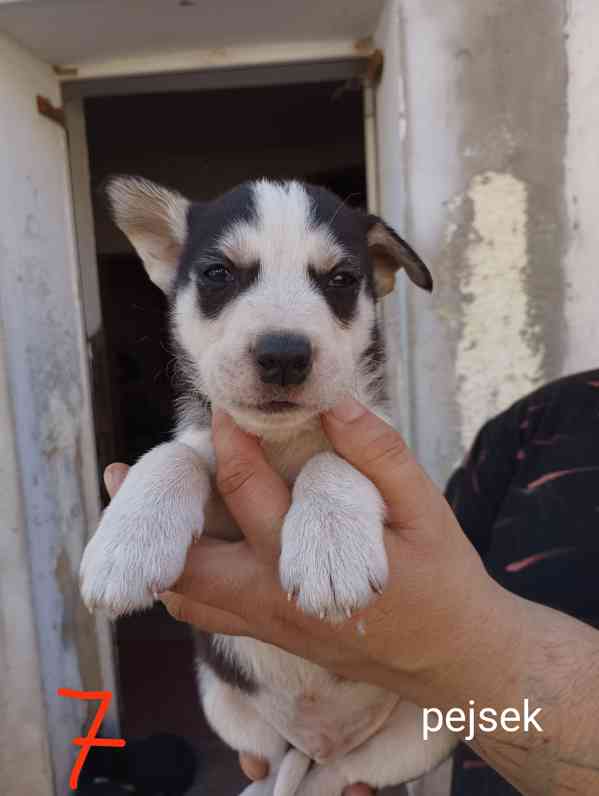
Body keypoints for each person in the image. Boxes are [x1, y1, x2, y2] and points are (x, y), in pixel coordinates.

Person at [104, 390, 599, 796]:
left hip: (400, 738)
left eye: (339, 281)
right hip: (270, 719)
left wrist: (451, 651)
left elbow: (441, 614)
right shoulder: (534, 424)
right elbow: (435, 556)